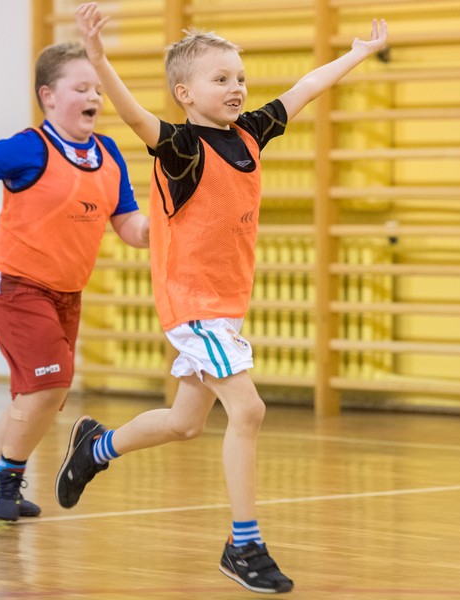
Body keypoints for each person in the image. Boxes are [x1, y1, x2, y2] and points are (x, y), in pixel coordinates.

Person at [57, 3, 388, 594]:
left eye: (239, 77)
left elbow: (304, 88)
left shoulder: (252, 132)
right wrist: (100, 58)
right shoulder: (181, 147)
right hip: (191, 304)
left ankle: (96, 446)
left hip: (226, 306)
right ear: (184, 93)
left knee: (185, 424)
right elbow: (134, 116)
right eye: (221, 79)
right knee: (250, 410)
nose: (236, 88)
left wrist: (358, 54)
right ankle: (244, 543)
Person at [0, 41, 149, 522]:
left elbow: (130, 225)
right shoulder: (29, 147)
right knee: (48, 385)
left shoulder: (108, 152)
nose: (94, 97)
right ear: (49, 96)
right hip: (14, 286)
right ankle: (8, 480)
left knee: (38, 394)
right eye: (81, 88)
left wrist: (164, 229)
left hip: (66, 293)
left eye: (97, 88)